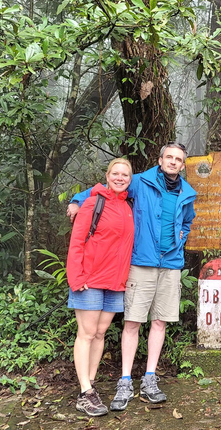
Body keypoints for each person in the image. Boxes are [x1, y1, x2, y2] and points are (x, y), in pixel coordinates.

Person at [67, 143, 196, 410]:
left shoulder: (187, 192)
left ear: (183, 165)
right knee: (132, 322)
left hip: (170, 264)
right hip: (142, 263)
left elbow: (187, 220)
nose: (173, 162)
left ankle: (150, 378)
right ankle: (124, 380)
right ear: (160, 160)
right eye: (169, 157)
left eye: (178, 159)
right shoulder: (140, 182)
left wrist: (182, 235)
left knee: (159, 322)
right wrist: (77, 200)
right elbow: (105, 189)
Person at [67, 158, 135, 418]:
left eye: (125, 174)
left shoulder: (128, 205)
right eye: (115, 173)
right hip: (89, 280)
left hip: (115, 283)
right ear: (107, 176)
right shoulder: (93, 203)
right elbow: (76, 243)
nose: (119, 178)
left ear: (130, 179)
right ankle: (84, 392)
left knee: (100, 332)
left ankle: (91, 383)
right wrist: (77, 277)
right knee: (86, 333)